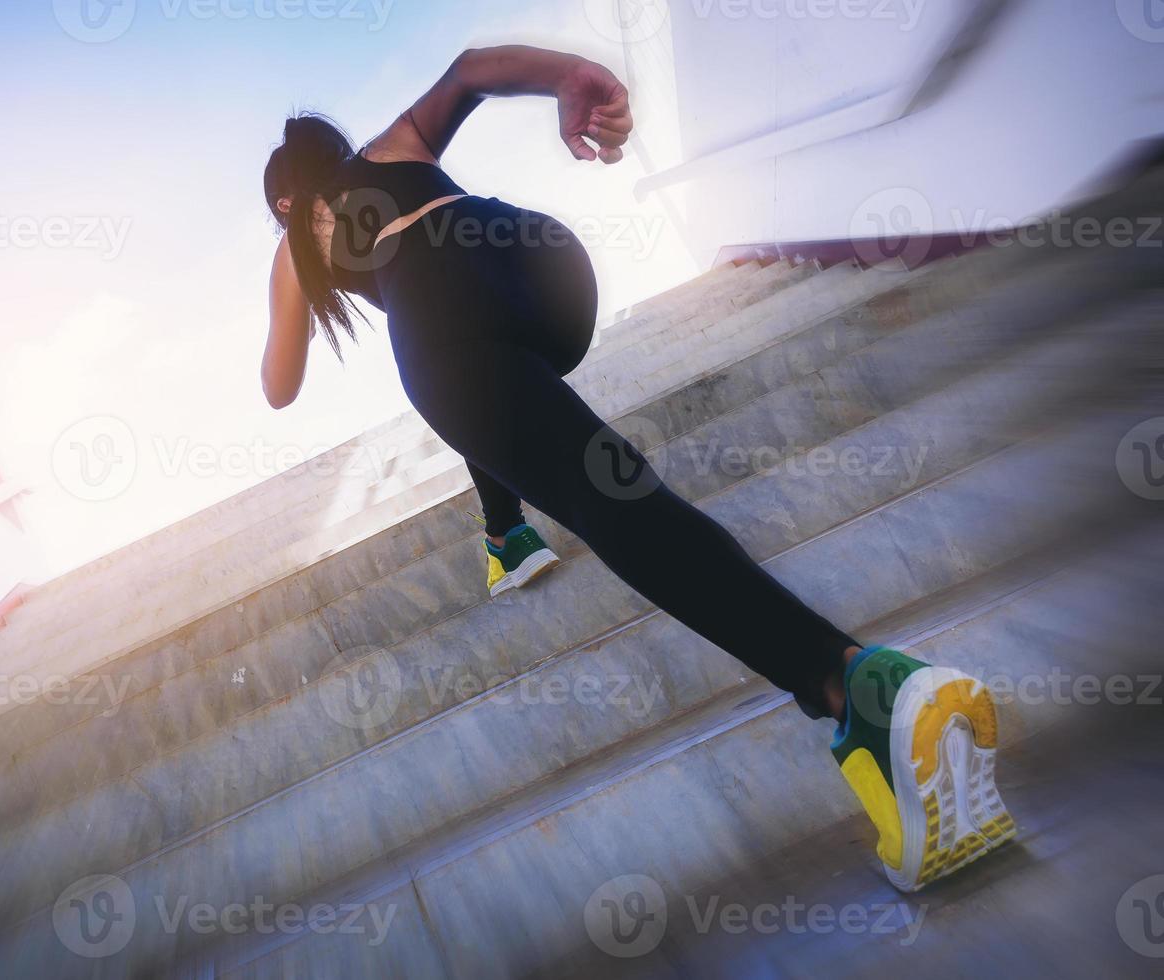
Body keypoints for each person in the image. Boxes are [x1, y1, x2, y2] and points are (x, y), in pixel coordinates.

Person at [259, 44, 1013, 892]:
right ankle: (505, 530)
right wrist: (572, 80)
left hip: (441, 321)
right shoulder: (392, 149)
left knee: (603, 499)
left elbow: (279, 388)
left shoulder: (297, 243)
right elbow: (470, 68)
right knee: (553, 443)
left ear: (283, 197)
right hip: (536, 263)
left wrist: (295, 270)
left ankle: (856, 691)